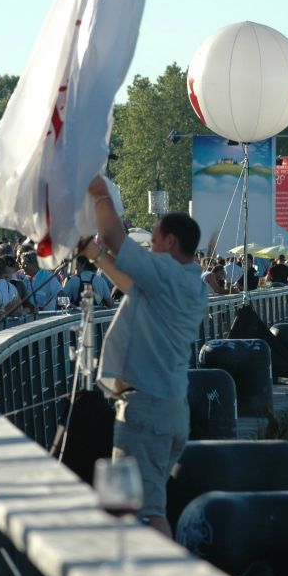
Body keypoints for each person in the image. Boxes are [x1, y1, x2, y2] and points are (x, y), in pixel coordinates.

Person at [81, 175, 207, 539]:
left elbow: (114, 238)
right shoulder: (189, 283)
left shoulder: (168, 272)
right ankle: (123, 575)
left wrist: (100, 194)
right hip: (166, 408)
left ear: (169, 242)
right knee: (126, 504)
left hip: (146, 410)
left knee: (148, 512)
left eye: (152, 242)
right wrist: (96, 257)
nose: (149, 249)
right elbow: (131, 285)